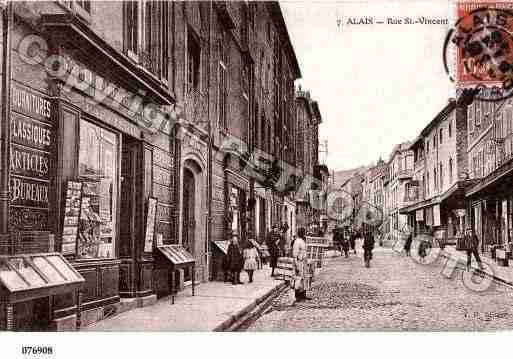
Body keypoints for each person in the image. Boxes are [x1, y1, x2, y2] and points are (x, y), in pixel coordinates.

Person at [292, 227, 312, 302]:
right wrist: (296, 264)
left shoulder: (303, 241)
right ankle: (297, 296)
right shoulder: (297, 241)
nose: (304, 233)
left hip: (304, 262)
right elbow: (295, 253)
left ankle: (303, 294)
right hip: (299, 262)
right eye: (303, 232)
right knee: (298, 279)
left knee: (304, 278)